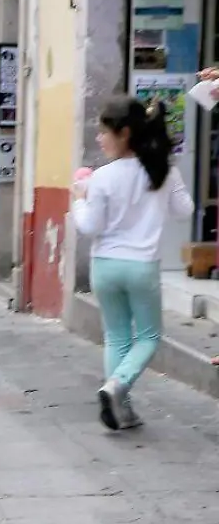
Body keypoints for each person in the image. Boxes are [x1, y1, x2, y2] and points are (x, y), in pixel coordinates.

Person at [71, 97, 193, 430]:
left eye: (104, 132)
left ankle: (120, 407)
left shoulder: (102, 177)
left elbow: (89, 227)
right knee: (149, 337)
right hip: (141, 266)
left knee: (116, 337)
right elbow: (186, 210)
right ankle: (116, 385)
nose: (99, 139)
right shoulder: (163, 170)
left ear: (124, 133)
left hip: (105, 265)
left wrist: (79, 201)